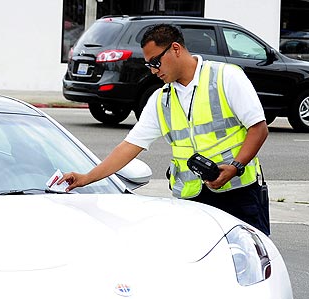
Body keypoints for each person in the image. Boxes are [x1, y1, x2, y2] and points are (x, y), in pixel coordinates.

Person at [58, 23, 270, 235]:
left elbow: (258, 128)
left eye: (156, 62)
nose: (153, 70)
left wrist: (234, 167)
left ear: (175, 49)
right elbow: (128, 147)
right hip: (193, 201)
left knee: (250, 262)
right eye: (148, 64)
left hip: (240, 195)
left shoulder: (225, 77)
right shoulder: (161, 100)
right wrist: (86, 178)